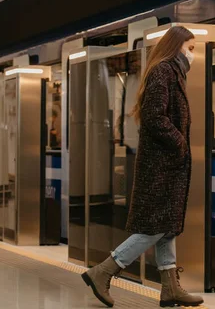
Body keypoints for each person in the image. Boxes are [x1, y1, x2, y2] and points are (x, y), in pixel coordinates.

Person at [82, 26, 203, 308]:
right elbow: (153, 115)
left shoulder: (172, 72)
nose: (193, 54)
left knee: (166, 226)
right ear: (177, 46)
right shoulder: (164, 71)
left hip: (166, 166)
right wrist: (180, 144)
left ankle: (170, 288)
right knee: (153, 228)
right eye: (191, 47)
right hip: (161, 167)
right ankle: (104, 271)